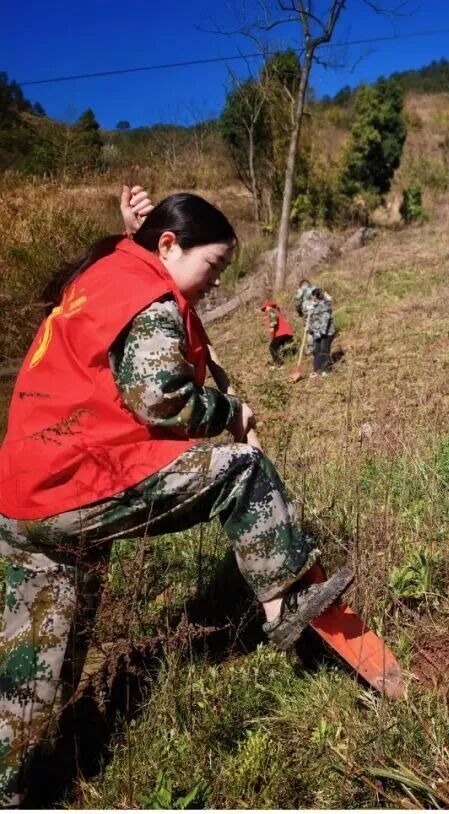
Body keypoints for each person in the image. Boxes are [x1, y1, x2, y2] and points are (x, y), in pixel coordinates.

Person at [0, 191, 354, 805]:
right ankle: (287, 601)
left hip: (22, 496)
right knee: (242, 470)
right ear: (168, 246)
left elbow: (131, 273)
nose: (216, 283)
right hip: (75, 482)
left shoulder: (106, 273)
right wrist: (227, 410)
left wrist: (133, 234)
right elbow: (161, 397)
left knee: (31, 676)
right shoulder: (148, 299)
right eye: (213, 266)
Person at [308, 287, 336, 376]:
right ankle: (317, 370)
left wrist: (321, 332)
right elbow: (313, 320)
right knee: (316, 351)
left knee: (324, 350)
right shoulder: (313, 307)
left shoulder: (324, 305)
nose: (312, 298)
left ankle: (326, 370)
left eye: (313, 296)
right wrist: (310, 329)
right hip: (317, 333)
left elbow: (325, 320)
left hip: (327, 333)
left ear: (315, 296)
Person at [261, 299, 295, 365]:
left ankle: (279, 363)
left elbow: (274, 319)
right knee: (281, 348)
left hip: (281, 333)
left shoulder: (270, 310)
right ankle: (287, 361)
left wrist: (272, 327)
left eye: (265, 308)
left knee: (272, 347)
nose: (265, 310)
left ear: (268, 306)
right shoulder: (276, 311)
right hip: (287, 332)